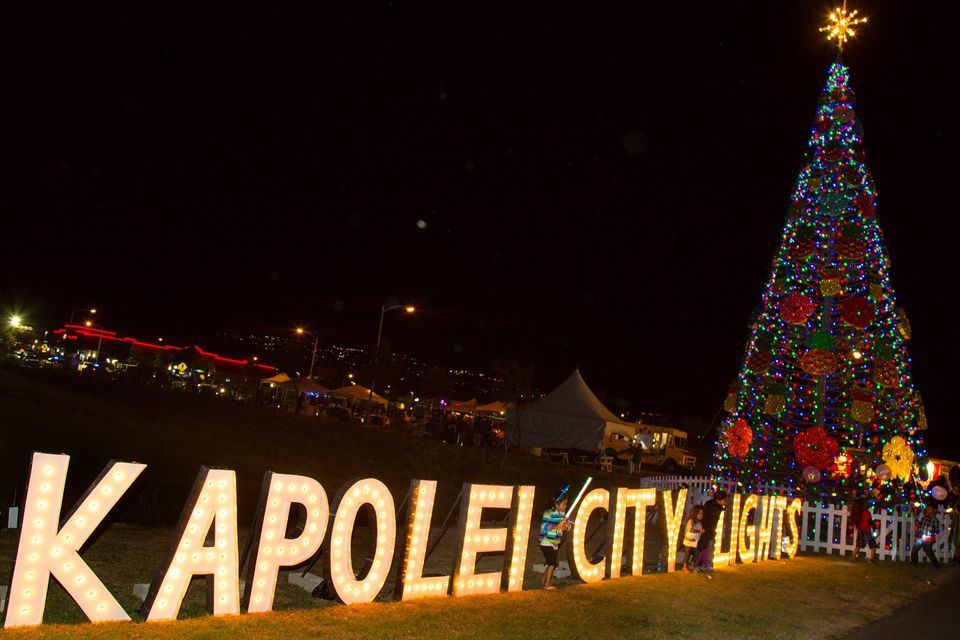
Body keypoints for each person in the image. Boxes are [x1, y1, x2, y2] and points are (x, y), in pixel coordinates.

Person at [539, 487, 572, 590]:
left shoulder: (562, 515)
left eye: (566, 504)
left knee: (552, 561)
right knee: (552, 562)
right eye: (564, 504)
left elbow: (568, 525)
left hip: (555, 543)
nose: (566, 506)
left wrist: (566, 527)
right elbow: (545, 527)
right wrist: (557, 526)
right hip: (546, 542)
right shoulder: (548, 513)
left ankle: (544, 579)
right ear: (556, 504)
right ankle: (547, 584)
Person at [695, 489, 727, 572]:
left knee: (706, 548)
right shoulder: (715, 507)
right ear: (719, 499)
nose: (725, 501)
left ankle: (704, 564)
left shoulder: (710, 504)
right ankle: (698, 565)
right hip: (707, 529)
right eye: (724, 499)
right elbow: (710, 519)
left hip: (707, 528)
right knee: (704, 547)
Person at [911, 503, 941, 567]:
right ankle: (913, 562)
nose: (928, 510)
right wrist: (916, 518)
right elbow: (919, 526)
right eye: (927, 508)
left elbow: (937, 531)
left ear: (934, 510)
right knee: (915, 549)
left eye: (930, 509)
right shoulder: (924, 518)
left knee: (928, 551)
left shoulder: (935, 520)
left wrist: (932, 533)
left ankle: (936, 564)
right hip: (921, 537)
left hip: (928, 539)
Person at [849, 497, 878, 562]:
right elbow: (868, 521)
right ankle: (853, 557)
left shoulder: (865, 512)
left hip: (865, 530)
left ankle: (871, 559)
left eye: (866, 504)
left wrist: (874, 527)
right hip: (864, 530)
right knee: (861, 545)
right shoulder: (860, 513)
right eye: (865, 504)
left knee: (870, 544)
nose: (866, 505)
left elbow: (870, 521)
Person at [682, 505, 704, 571]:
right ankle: (685, 566)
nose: (701, 515)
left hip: (695, 541)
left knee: (696, 552)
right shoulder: (690, 521)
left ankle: (692, 564)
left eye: (702, 513)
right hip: (688, 540)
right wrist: (699, 531)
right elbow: (691, 530)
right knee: (687, 553)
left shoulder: (699, 523)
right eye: (699, 513)